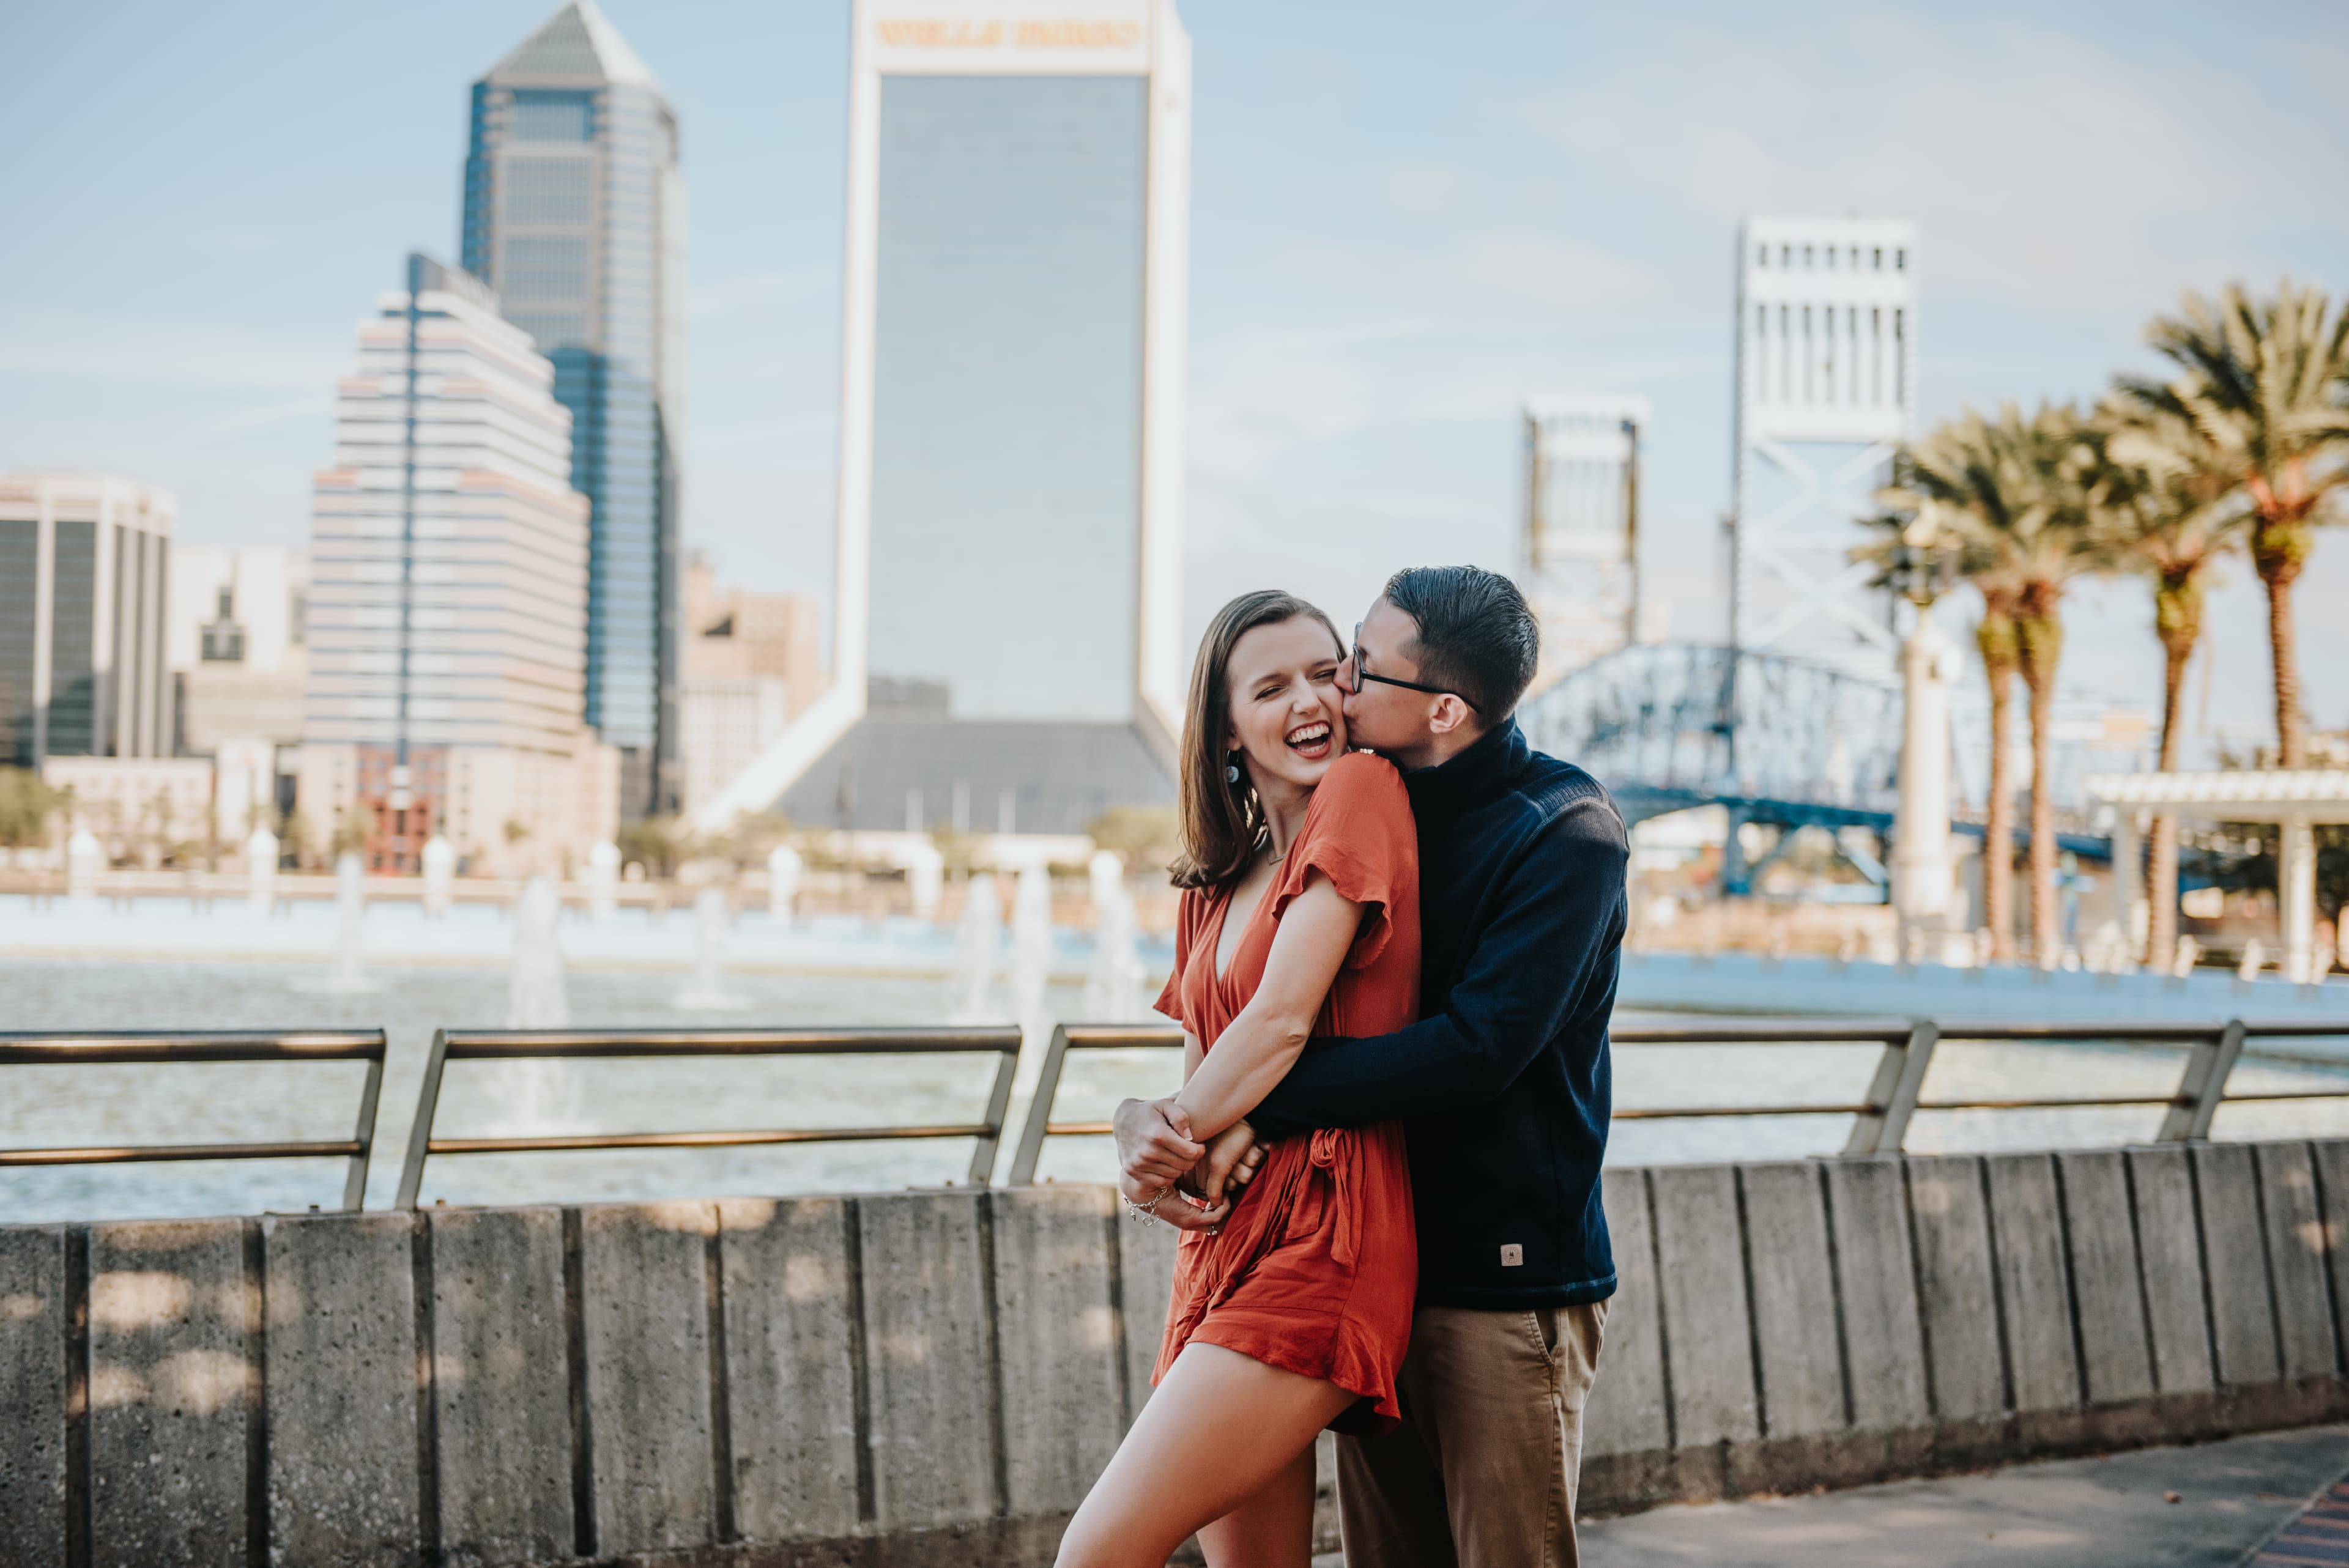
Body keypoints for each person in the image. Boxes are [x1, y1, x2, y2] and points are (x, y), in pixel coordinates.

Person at [1113, 565, 1630, 1568]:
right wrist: (1171, 1112)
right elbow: (1262, 1009)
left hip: (1501, 1278)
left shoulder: (1564, 831)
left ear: (1443, 708)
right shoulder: (1365, 799)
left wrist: (1251, 1112)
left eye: (1355, 668)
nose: (1336, 689)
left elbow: (1475, 1051)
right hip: (1365, 1252)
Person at [1055, 589, 1424, 1568]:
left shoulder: (1361, 791)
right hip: (1225, 1247)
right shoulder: (1216, 880)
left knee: (1097, 1552)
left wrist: (1162, 1130)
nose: (1312, 701)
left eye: (1325, 671)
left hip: (1326, 1228)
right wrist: (1151, 1133)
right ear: (1225, 729)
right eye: (1271, 687)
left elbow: (1279, 1022)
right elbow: (1210, 1065)